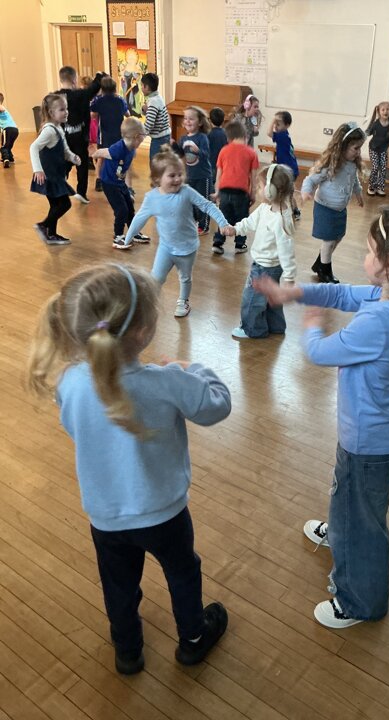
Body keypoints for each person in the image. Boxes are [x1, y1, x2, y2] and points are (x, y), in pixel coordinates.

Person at [27, 262, 231, 674]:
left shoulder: (69, 382)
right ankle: (193, 639)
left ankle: (127, 650)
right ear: (142, 333)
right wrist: (192, 369)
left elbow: (75, 426)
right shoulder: (166, 382)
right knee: (182, 572)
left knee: (118, 584)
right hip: (164, 512)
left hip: (106, 516)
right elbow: (217, 405)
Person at [254, 206, 389, 629]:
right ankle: (342, 527)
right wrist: (296, 293)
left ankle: (360, 601)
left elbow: (318, 352)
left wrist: (311, 324)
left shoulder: (379, 321)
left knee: (364, 519)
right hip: (382, 431)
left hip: (367, 439)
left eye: (369, 250)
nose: (365, 257)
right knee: (353, 497)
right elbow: (343, 295)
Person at [121, 146, 232, 318]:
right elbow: (140, 218)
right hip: (165, 247)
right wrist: (127, 238)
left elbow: (207, 205)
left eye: (180, 174)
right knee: (156, 278)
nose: (178, 179)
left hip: (187, 247)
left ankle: (183, 301)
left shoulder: (186, 192)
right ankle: (149, 302)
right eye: (172, 176)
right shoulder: (152, 198)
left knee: (185, 278)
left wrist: (223, 223)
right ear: (157, 179)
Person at [230, 164, 296, 339]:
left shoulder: (281, 219)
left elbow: (287, 250)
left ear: (270, 191)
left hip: (266, 267)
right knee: (270, 297)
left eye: (259, 187)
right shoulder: (265, 208)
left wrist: (289, 278)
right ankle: (276, 326)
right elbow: (250, 222)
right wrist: (235, 229)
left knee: (252, 300)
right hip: (267, 264)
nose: (256, 190)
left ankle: (252, 330)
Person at [301, 121, 365, 284]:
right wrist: (306, 192)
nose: (358, 152)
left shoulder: (352, 164)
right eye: (355, 148)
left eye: (360, 148)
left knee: (338, 237)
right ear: (343, 146)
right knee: (329, 241)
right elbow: (310, 179)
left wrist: (358, 193)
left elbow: (354, 180)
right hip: (325, 207)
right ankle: (325, 272)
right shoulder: (331, 165)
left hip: (340, 209)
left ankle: (319, 263)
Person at [30, 93, 80, 246]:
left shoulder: (58, 128)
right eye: (62, 110)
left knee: (55, 205)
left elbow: (64, 150)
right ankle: (43, 226)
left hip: (56, 174)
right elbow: (33, 147)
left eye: (66, 109)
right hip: (50, 176)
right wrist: (37, 170)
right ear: (51, 113)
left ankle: (51, 235)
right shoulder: (50, 130)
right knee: (64, 204)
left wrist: (72, 157)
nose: (66, 112)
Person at [92, 117, 149, 246]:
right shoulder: (118, 148)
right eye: (143, 137)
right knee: (121, 210)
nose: (143, 140)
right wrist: (94, 157)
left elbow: (127, 168)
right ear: (136, 137)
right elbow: (102, 152)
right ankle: (118, 236)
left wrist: (129, 188)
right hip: (109, 184)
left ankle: (134, 232)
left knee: (130, 208)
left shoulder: (132, 149)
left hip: (119, 182)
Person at [56, 65, 104, 203]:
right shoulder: (81, 94)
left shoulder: (55, 97)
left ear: (61, 80)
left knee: (66, 160)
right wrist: (99, 74)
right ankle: (81, 192)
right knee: (81, 164)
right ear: (74, 80)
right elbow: (94, 87)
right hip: (80, 137)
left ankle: (59, 184)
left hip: (63, 136)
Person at [211, 120, 259, 256]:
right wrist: (253, 193)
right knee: (242, 218)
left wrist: (217, 192)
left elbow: (219, 173)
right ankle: (240, 244)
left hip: (224, 190)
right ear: (245, 136)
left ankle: (218, 242)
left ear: (229, 138)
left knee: (223, 217)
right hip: (241, 192)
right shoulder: (251, 152)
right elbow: (253, 177)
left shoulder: (224, 150)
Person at [172, 106, 213, 235]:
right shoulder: (183, 139)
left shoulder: (202, 138)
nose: (187, 121)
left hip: (203, 176)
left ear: (200, 122)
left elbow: (207, 155)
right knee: (190, 201)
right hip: (189, 175)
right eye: (185, 118)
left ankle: (204, 226)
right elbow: (180, 154)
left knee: (203, 201)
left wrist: (198, 151)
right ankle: (192, 223)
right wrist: (173, 146)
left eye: (191, 119)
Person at [90, 76, 130, 192]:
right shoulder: (120, 100)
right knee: (119, 158)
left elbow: (93, 115)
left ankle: (99, 181)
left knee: (101, 158)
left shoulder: (99, 101)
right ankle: (118, 179)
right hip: (118, 135)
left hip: (104, 135)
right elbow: (127, 114)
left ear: (102, 89)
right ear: (115, 88)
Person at [267, 110, 301, 220]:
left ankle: (292, 211)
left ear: (287, 125)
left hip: (289, 171)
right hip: (289, 169)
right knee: (287, 192)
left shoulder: (282, 136)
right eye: (275, 123)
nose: (275, 126)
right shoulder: (284, 134)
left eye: (278, 123)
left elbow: (269, 133)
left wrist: (273, 119)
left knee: (286, 192)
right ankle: (294, 211)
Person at [365, 101, 389, 197]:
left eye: (388, 109)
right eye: (383, 110)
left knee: (383, 168)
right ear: (379, 112)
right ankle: (371, 187)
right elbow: (367, 133)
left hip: (384, 149)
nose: (385, 111)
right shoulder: (376, 124)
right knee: (375, 167)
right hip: (373, 148)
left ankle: (380, 187)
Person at [141, 72, 171, 164]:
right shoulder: (158, 97)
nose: (141, 88)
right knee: (163, 164)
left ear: (146, 87)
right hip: (165, 136)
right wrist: (144, 109)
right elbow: (152, 114)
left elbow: (149, 124)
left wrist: (140, 134)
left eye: (142, 86)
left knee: (155, 164)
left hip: (159, 140)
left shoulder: (153, 102)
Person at [208, 107, 228, 185]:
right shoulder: (226, 134)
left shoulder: (208, 134)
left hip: (211, 164)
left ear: (209, 121)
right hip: (223, 165)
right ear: (223, 120)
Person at [0, 91, 19, 168]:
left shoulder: (2, 108)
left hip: (7, 129)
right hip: (15, 130)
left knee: (4, 146)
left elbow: (2, 109)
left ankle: (6, 159)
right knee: (8, 146)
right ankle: (10, 158)